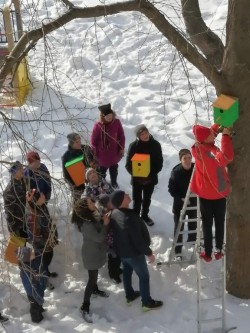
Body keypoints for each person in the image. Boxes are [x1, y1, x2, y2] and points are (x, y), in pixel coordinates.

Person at [110, 190, 163, 311]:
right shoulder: (129, 217)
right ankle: (146, 302)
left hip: (123, 253)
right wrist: (149, 253)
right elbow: (137, 240)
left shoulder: (114, 213)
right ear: (122, 201)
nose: (128, 195)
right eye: (125, 195)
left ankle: (130, 295)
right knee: (144, 276)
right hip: (134, 254)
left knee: (127, 272)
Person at [191, 124, 234, 262]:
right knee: (219, 222)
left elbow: (209, 135)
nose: (213, 135)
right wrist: (226, 136)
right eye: (210, 134)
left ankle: (208, 253)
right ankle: (219, 250)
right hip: (218, 193)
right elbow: (226, 157)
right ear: (204, 139)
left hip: (204, 194)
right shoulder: (211, 153)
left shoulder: (197, 149)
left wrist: (217, 125)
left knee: (207, 223)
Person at [18, 189, 55, 323]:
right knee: (32, 278)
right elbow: (29, 237)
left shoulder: (39, 209)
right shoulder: (30, 215)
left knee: (40, 277)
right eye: (41, 195)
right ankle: (35, 311)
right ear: (36, 200)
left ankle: (38, 305)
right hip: (30, 251)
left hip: (37, 250)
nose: (44, 195)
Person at [74, 197, 110, 323]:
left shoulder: (90, 217)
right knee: (92, 278)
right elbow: (99, 237)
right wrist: (105, 224)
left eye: (91, 202)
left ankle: (95, 289)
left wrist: (101, 218)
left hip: (94, 251)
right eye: (90, 203)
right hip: (91, 254)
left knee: (93, 275)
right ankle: (85, 305)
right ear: (85, 208)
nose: (93, 204)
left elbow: (97, 226)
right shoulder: (86, 224)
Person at [24, 151, 57, 279]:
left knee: (47, 249)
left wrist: (44, 199)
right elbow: (27, 194)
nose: (37, 164)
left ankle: (45, 271)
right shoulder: (27, 174)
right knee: (38, 252)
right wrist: (36, 201)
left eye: (38, 161)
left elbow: (48, 185)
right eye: (34, 162)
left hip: (41, 205)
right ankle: (40, 276)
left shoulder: (43, 168)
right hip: (33, 207)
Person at [125, 124, 163, 226]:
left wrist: (149, 174)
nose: (145, 135)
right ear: (138, 136)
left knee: (147, 199)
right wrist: (138, 174)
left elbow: (159, 163)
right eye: (142, 134)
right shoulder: (133, 146)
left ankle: (145, 215)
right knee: (137, 199)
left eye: (145, 132)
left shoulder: (156, 145)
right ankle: (136, 217)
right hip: (137, 179)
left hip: (150, 178)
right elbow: (128, 165)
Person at [168, 149, 197, 259]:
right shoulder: (176, 172)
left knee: (193, 225)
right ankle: (177, 251)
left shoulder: (196, 168)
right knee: (179, 228)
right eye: (185, 158)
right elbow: (171, 189)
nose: (188, 160)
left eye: (190, 158)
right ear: (181, 159)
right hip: (180, 204)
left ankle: (193, 243)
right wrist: (182, 198)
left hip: (193, 202)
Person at [91, 103, 125, 188]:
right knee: (102, 171)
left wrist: (121, 147)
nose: (110, 117)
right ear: (103, 116)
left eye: (111, 115)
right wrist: (94, 153)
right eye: (107, 116)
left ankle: (114, 182)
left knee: (114, 169)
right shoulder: (98, 125)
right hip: (102, 154)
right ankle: (102, 184)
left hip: (114, 152)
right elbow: (93, 140)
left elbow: (121, 135)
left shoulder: (117, 122)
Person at [62, 133, 97, 209]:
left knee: (94, 195)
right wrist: (72, 185)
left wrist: (93, 163)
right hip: (77, 183)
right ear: (71, 144)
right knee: (79, 200)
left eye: (79, 140)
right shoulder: (66, 157)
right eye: (76, 142)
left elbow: (95, 160)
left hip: (90, 177)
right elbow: (65, 176)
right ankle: (78, 211)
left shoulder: (86, 148)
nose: (79, 143)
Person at [3, 161, 27, 239]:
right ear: (15, 172)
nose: (23, 170)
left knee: (23, 248)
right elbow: (9, 213)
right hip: (16, 227)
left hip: (23, 223)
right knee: (14, 250)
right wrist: (12, 231)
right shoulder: (10, 189)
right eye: (20, 169)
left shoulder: (21, 183)